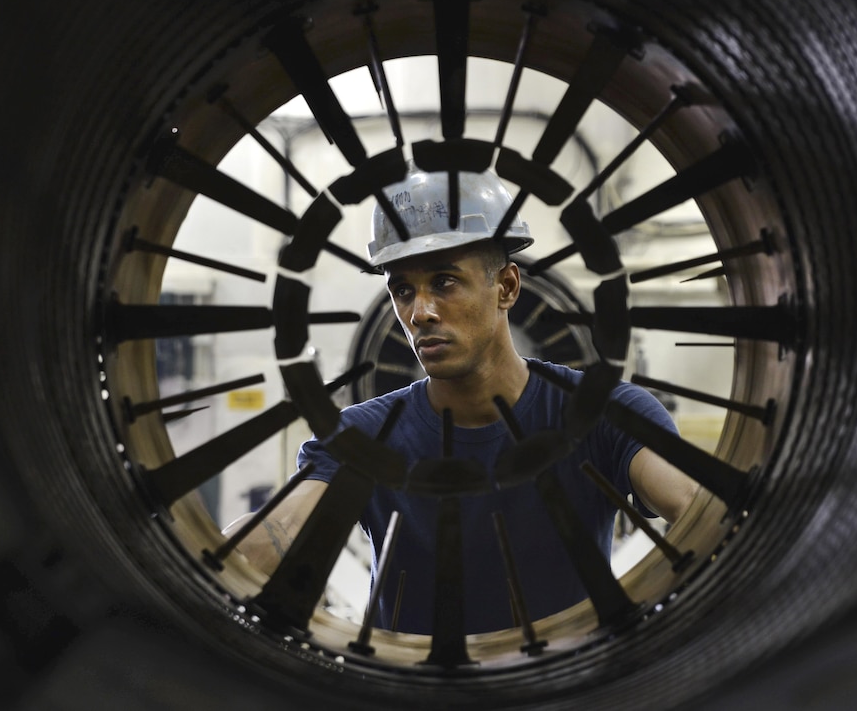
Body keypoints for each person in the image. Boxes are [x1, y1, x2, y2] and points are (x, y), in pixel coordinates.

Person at [228, 164, 698, 635]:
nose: (420, 313)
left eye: (444, 282)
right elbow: (273, 538)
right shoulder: (362, 436)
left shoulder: (603, 413)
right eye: (403, 290)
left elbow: (698, 506)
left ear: (507, 287)